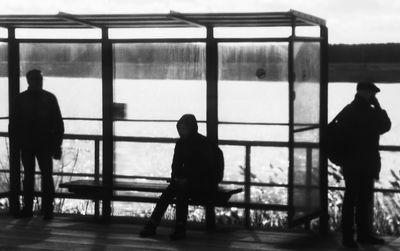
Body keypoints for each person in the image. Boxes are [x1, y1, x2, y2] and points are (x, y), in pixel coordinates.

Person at [139, 114, 219, 240]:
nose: (181, 131)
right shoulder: (181, 143)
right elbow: (175, 164)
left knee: (182, 194)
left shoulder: (203, 144)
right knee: (166, 195)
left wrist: (187, 179)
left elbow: (206, 169)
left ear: (191, 128)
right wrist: (176, 177)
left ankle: (179, 229)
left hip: (203, 182)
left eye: (184, 128)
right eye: (180, 129)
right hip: (185, 181)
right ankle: (153, 225)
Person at [338, 82, 391, 248]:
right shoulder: (370, 112)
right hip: (366, 163)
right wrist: (379, 107)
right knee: (363, 201)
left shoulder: (348, 110)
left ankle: (348, 237)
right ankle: (363, 234)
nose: (374, 97)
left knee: (350, 200)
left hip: (351, 163)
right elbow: (386, 126)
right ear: (368, 94)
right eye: (373, 94)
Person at [9, 69, 64, 220]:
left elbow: (13, 126)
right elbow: (58, 124)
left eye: (39, 79)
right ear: (29, 81)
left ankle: (32, 209)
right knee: (41, 177)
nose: (38, 82)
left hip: (32, 144)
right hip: (39, 144)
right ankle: (43, 210)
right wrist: (57, 145)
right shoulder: (48, 98)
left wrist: (57, 145)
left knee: (34, 177)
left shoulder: (20, 99)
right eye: (36, 79)